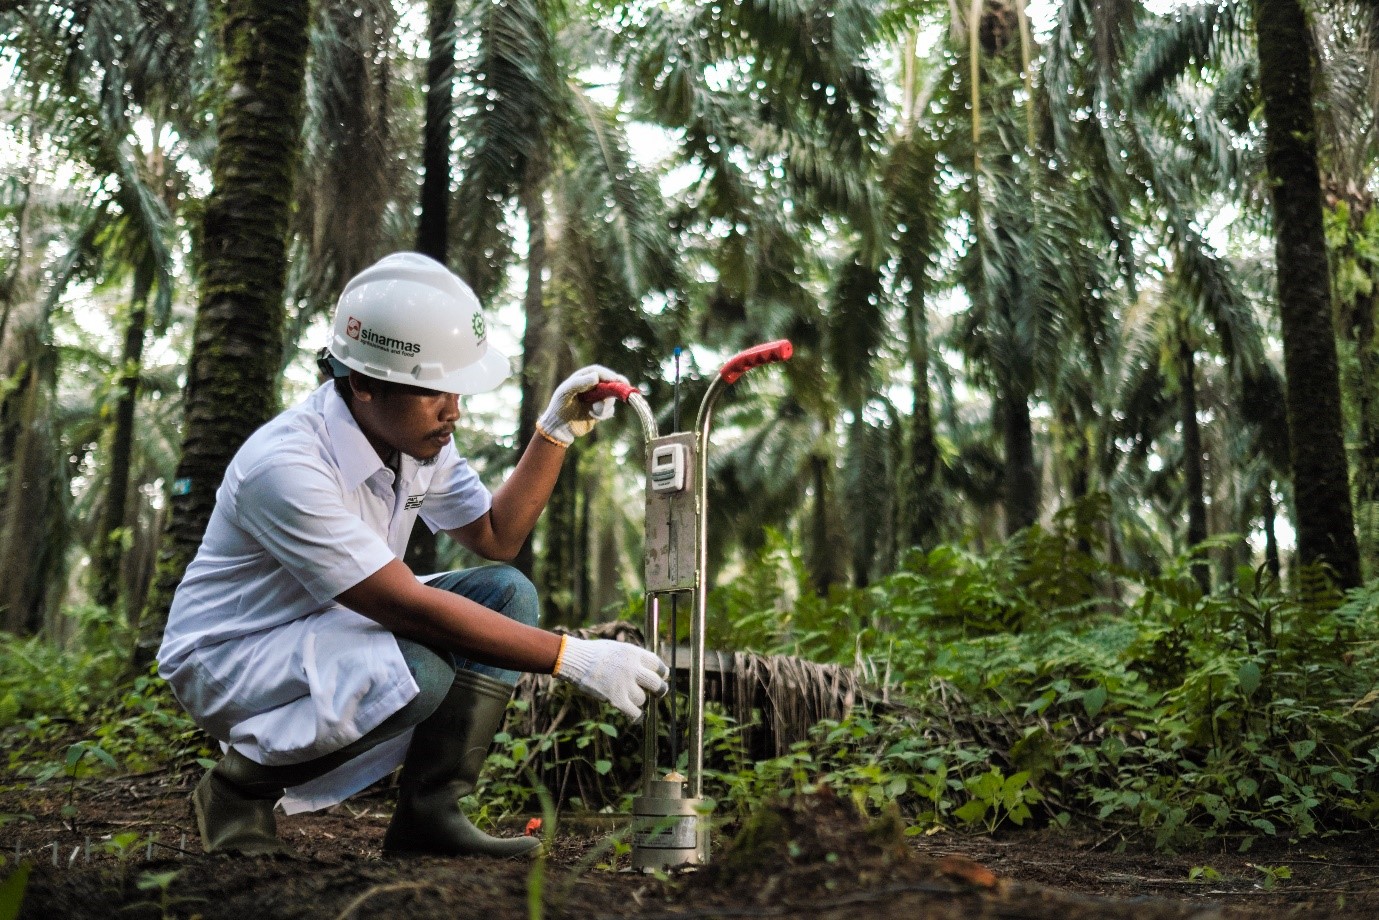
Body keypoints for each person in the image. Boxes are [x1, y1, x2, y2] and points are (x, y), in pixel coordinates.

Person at [156, 252, 669, 859]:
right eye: (433, 390)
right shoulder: (287, 467)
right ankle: (237, 791)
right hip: (234, 653)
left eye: (457, 388)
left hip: (326, 624)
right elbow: (406, 608)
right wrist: (572, 658)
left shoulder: (414, 440)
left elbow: (496, 535)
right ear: (364, 384)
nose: (454, 410)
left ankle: (431, 816)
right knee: (416, 671)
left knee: (508, 592)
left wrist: (553, 431)